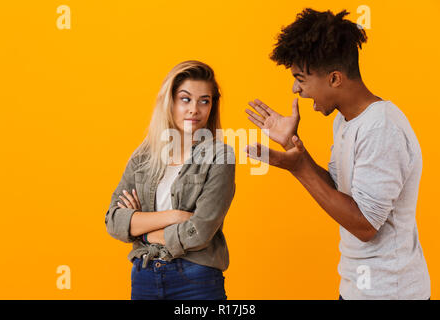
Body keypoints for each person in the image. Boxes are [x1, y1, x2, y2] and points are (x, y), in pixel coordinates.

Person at [245, 8, 430, 300]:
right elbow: (339, 191)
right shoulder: (345, 120)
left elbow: (365, 225)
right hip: (356, 288)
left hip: (389, 292)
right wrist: (295, 150)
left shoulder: (381, 128)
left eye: (301, 79)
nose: (296, 90)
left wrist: (299, 169)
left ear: (334, 79)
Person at [105, 60, 235, 300]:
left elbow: (199, 231)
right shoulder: (144, 156)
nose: (194, 109)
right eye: (185, 99)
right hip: (145, 275)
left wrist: (141, 230)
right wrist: (174, 217)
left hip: (196, 279)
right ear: (170, 101)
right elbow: (114, 220)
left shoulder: (220, 156)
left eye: (204, 101)